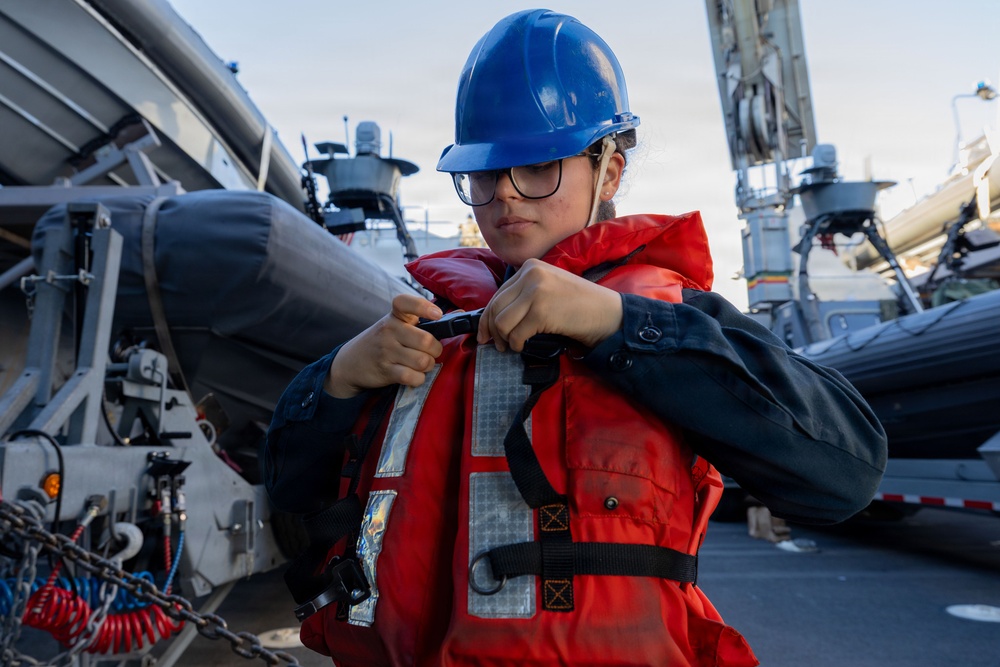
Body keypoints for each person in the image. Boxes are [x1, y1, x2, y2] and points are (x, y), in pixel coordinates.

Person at [263, 9, 887, 667]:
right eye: (483, 175)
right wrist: (332, 381)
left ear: (609, 173)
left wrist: (621, 326)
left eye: (537, 167)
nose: (504, 195)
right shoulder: (427, 325)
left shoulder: (672, 317)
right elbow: (290, 493)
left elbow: (847, 473)